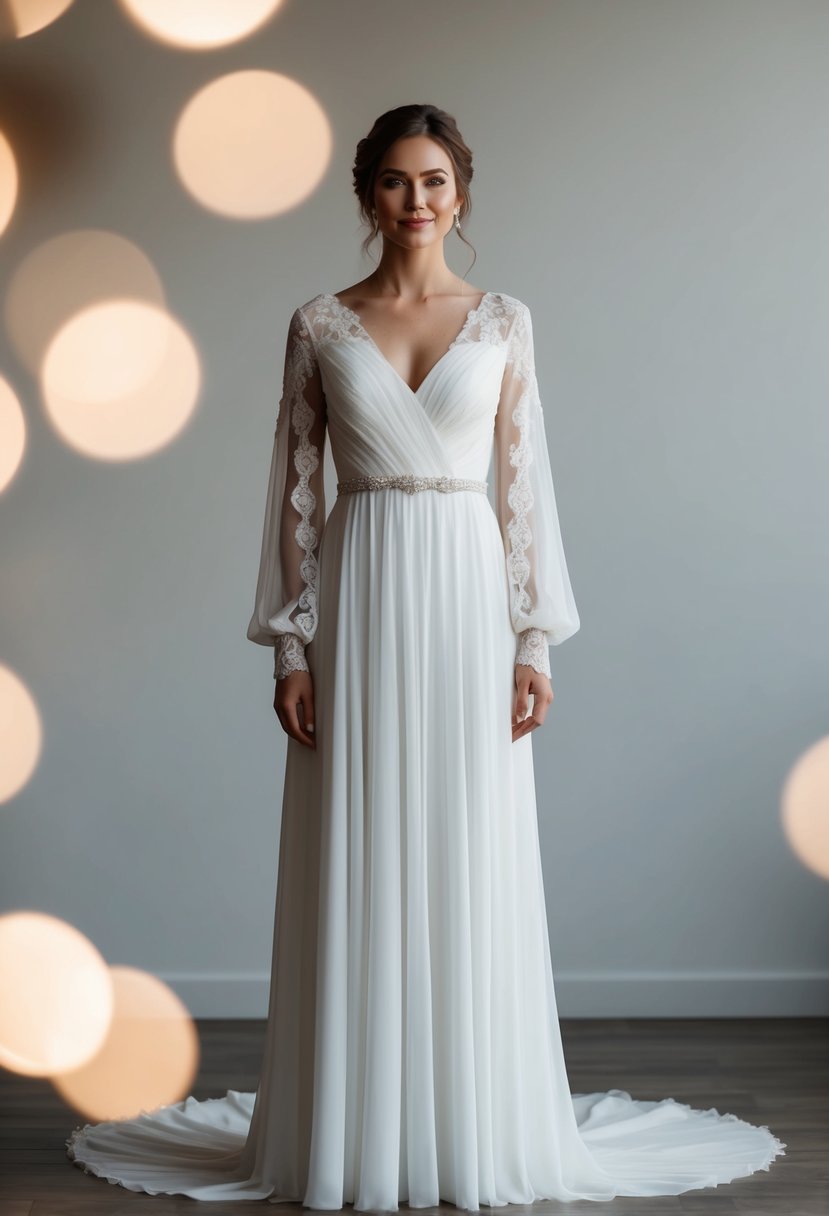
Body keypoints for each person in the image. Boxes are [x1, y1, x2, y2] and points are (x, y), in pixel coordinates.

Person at [66, 103, 785, 1210]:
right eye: (397, 181)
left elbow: (523, 488)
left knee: (466, 844)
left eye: (436, 181)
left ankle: (468, 1120)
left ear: (462, 193)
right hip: (358, 598)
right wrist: (288, 651)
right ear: (367, 193)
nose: (417, 201)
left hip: (464, 600)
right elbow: (294, 501)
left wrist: (532, 635)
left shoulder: (504, 322)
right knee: (359, 837)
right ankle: (353, 1127)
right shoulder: (317, 322)